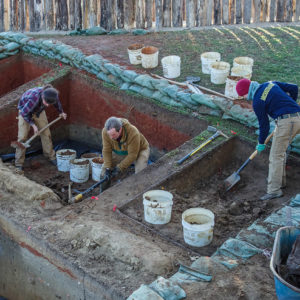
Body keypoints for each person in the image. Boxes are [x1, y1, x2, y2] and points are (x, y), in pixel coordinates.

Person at [236, 78, 300, 200]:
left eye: (243, 95)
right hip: (297, 116)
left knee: (276, 156)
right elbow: (294, 88)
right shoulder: (269, 84)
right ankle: (279, 181)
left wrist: (261, 142)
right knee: (280, 153)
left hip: (287, 122)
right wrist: (291, 104)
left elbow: (264, 125)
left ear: (246, 91)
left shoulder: (257, 102)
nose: (244, 98)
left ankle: (274, 190)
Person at [15, 85, 67, 170]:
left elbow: (57, 102)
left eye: (48, 103)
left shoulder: (53, 94)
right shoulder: (34, 98)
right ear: (42, 96)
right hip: (25, 110)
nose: (47, 105)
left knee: (46, 133)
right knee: (22, 137)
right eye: (45, 102)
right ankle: (18, 163)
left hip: (39, 111)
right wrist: (34, 126)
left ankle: (50, 156)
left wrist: (61, 112)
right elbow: (25, 114)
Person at [100, 117, 150, 187]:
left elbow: (132, 155)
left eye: (113, 135)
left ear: (120, 130)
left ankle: (138, 191)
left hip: (140, 149)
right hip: (123, 150)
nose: (111, 137)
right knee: (104, 171)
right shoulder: (105, 132)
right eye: (109, 135)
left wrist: (119, 168)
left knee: (140, 173)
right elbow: (106, 150)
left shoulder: (133, 132)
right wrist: (108, 167)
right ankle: (102, 192)